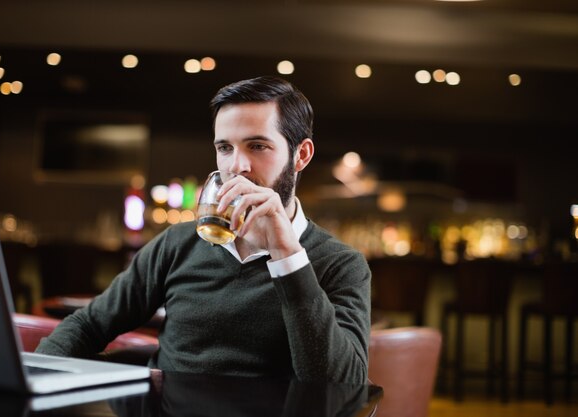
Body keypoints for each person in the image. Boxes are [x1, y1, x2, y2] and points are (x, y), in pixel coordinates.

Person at [36, 76, 371, 384]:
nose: (236, 166)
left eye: (257, 146)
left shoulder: (340, 264)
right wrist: (29, 385)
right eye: (224, 148)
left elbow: (342, 386)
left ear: (301, 155)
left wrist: (288, 257)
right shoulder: (177, 243)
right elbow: (88, 326)